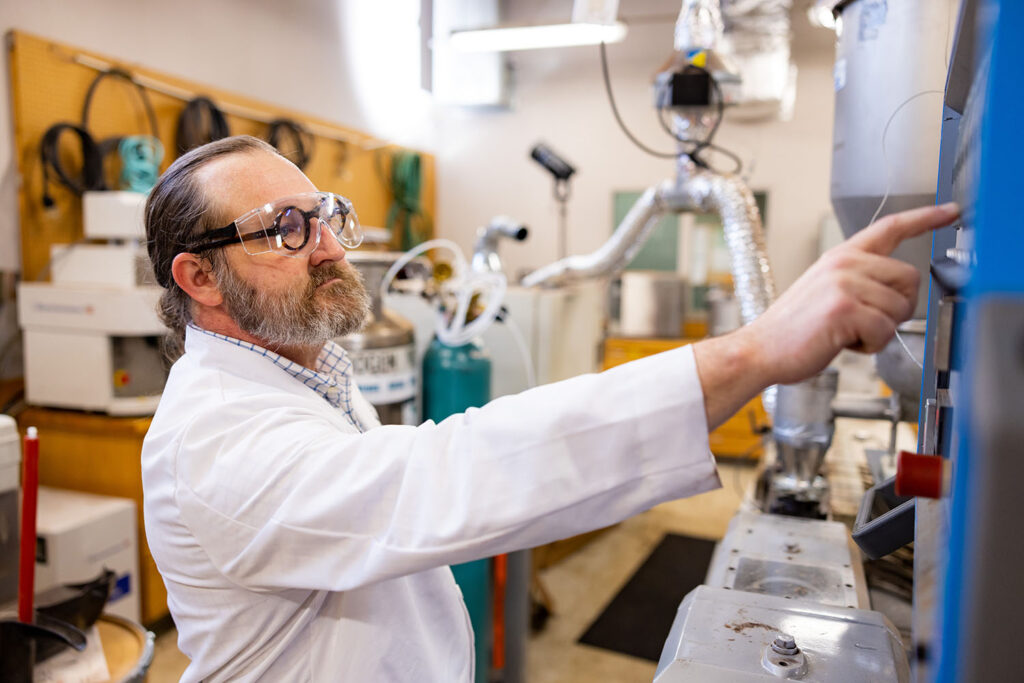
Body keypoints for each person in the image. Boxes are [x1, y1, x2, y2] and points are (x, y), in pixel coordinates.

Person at [141, 135, 959, 682]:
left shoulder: (307, 367)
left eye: (322, 216)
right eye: (282, 228)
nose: (324, 242)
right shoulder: (212, 439)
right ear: (200, 279)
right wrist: (752, 352)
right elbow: (439, 481)